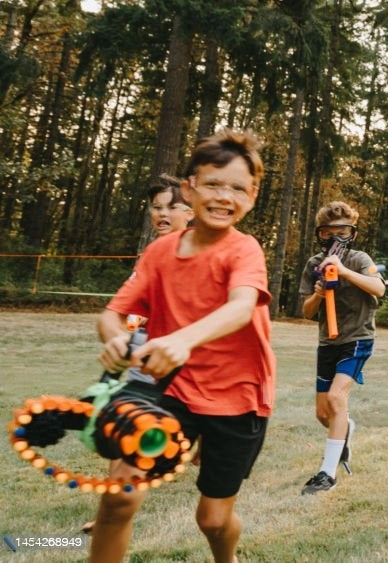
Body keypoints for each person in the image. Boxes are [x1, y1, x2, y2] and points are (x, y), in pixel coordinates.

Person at [91, 129, 275, 563]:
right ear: (189, 188)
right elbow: (111, 313)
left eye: (236, 188)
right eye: (212, 183)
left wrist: (181, 339)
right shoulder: (159, 253)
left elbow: (241, 307)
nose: (223, 195)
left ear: (251, 197)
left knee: (212, 519)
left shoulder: (244, 250)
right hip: (169, 392)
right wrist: (117, 339)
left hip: (239, 398)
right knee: (120, 496)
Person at [80, 174, 194, 534]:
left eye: (170, 207)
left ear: (190, 211)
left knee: (141, 440)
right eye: (155, 207)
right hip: (140, 357)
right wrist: (118, 337)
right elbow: (120, 309)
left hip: (179, 366)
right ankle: (109, 517)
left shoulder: (198, 254)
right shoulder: (151, 255)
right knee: (123, 432)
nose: (161, 214)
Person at [298, 201, 385, 494]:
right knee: (324, 413)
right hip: (328, 342)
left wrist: (344, 272)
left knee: (337, 398)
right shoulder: (313, 264)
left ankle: (327, 473)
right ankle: (345, 429)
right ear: (320, 234)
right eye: (328, 232)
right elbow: (307, 311)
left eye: (342, 231)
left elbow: (379, 288)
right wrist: (319, 293)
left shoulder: (360, 259)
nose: (335, 238)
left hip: (358, 338)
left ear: (352, 232)